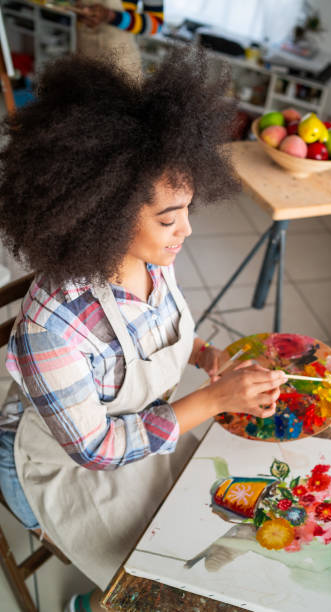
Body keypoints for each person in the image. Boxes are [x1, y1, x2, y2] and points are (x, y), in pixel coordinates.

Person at [0, 48, 287, 612]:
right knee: (167, 584)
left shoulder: (154, 256)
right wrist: (210, 401)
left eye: (187, 209)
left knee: (214, 532)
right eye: (167, 217)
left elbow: (157, 329)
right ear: (100, 209)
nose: (185, 231)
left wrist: (203, 354)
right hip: (62, 469)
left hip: (139, 436)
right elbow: (98, 450)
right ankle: (92, 602)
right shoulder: (49, 330)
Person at [74, 0, 163, 77]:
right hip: (84, 56)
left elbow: (156, 24)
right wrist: (79, 11)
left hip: (122, 64)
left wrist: (113, 17)